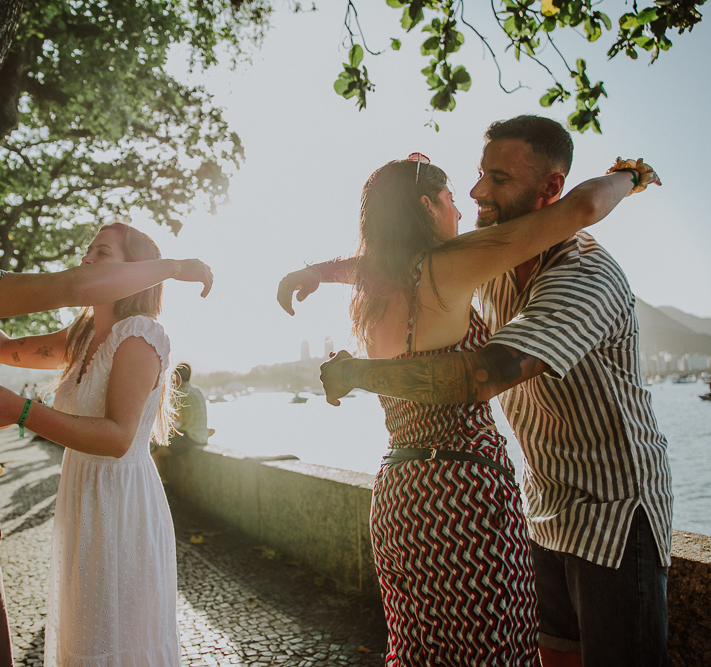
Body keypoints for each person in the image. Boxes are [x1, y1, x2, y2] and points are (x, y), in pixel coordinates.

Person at [284, 117, 670, 667]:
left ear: (550, 187)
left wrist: (353, 358)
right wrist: (320, 274)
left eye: (498, 178)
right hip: (513, 500)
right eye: (471, 178)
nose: (473, 193)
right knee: (506, 653)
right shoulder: (477, 262)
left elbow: (480, 373)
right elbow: (391, 266)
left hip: (611, 510)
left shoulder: (580, 273)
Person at [0, 167, 211, 667]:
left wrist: (19, 410)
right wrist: (175, 266)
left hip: (107, 502)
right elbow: (64, 293)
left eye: (101, 253)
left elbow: (5, 348)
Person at [0, 222, 184, 667]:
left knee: (117, 641)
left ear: (136, 269)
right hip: (82, 501)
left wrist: (20, 411)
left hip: (121, 505)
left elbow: (117, 438)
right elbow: (3, 348)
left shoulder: (139, 335)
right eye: (87, 251)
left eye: (102, 253)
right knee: (87, 634)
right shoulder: (81, 334)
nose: (87, 260)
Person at [172, 362, 209, 447]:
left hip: (190, 438)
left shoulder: (180, 393)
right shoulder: (198, 390)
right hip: (203, 438)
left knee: (156, 448)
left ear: (177, 378)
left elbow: (167, 418)